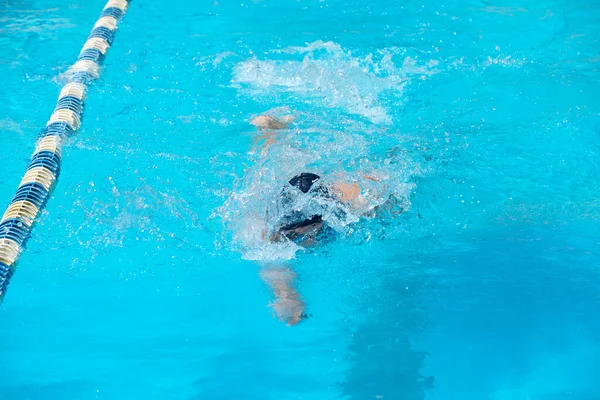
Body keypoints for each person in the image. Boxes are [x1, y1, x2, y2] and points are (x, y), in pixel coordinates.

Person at [248, 113, 391, 325]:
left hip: (323, 189)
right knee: (272, 160)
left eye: (315, 230)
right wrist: (288, 298)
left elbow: (381, 189)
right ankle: (266, 129)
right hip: (281, 192)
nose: (311, 241)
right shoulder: (271, 231)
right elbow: (275, 271)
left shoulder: (338, 208)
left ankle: (273, 128)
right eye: (298, 235)